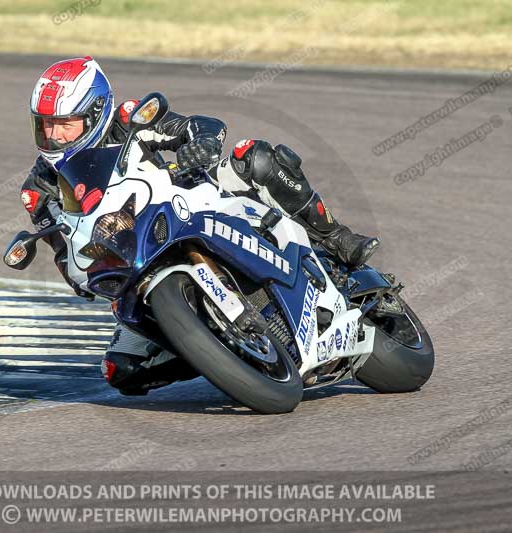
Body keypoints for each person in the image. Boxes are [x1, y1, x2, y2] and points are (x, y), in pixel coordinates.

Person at [20, 57, 379, 394]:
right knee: (122, 371)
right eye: (46, 124)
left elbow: (200, 125)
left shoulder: (129, 121)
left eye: (65, 124)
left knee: (254, 158)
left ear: (96, 112)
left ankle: (336, 239)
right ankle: (215, 352)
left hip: (189, 204)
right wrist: (81, 271)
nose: (55, 135)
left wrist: (202, 144)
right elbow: (64, 252)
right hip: (133, 261)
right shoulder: (39, 188)